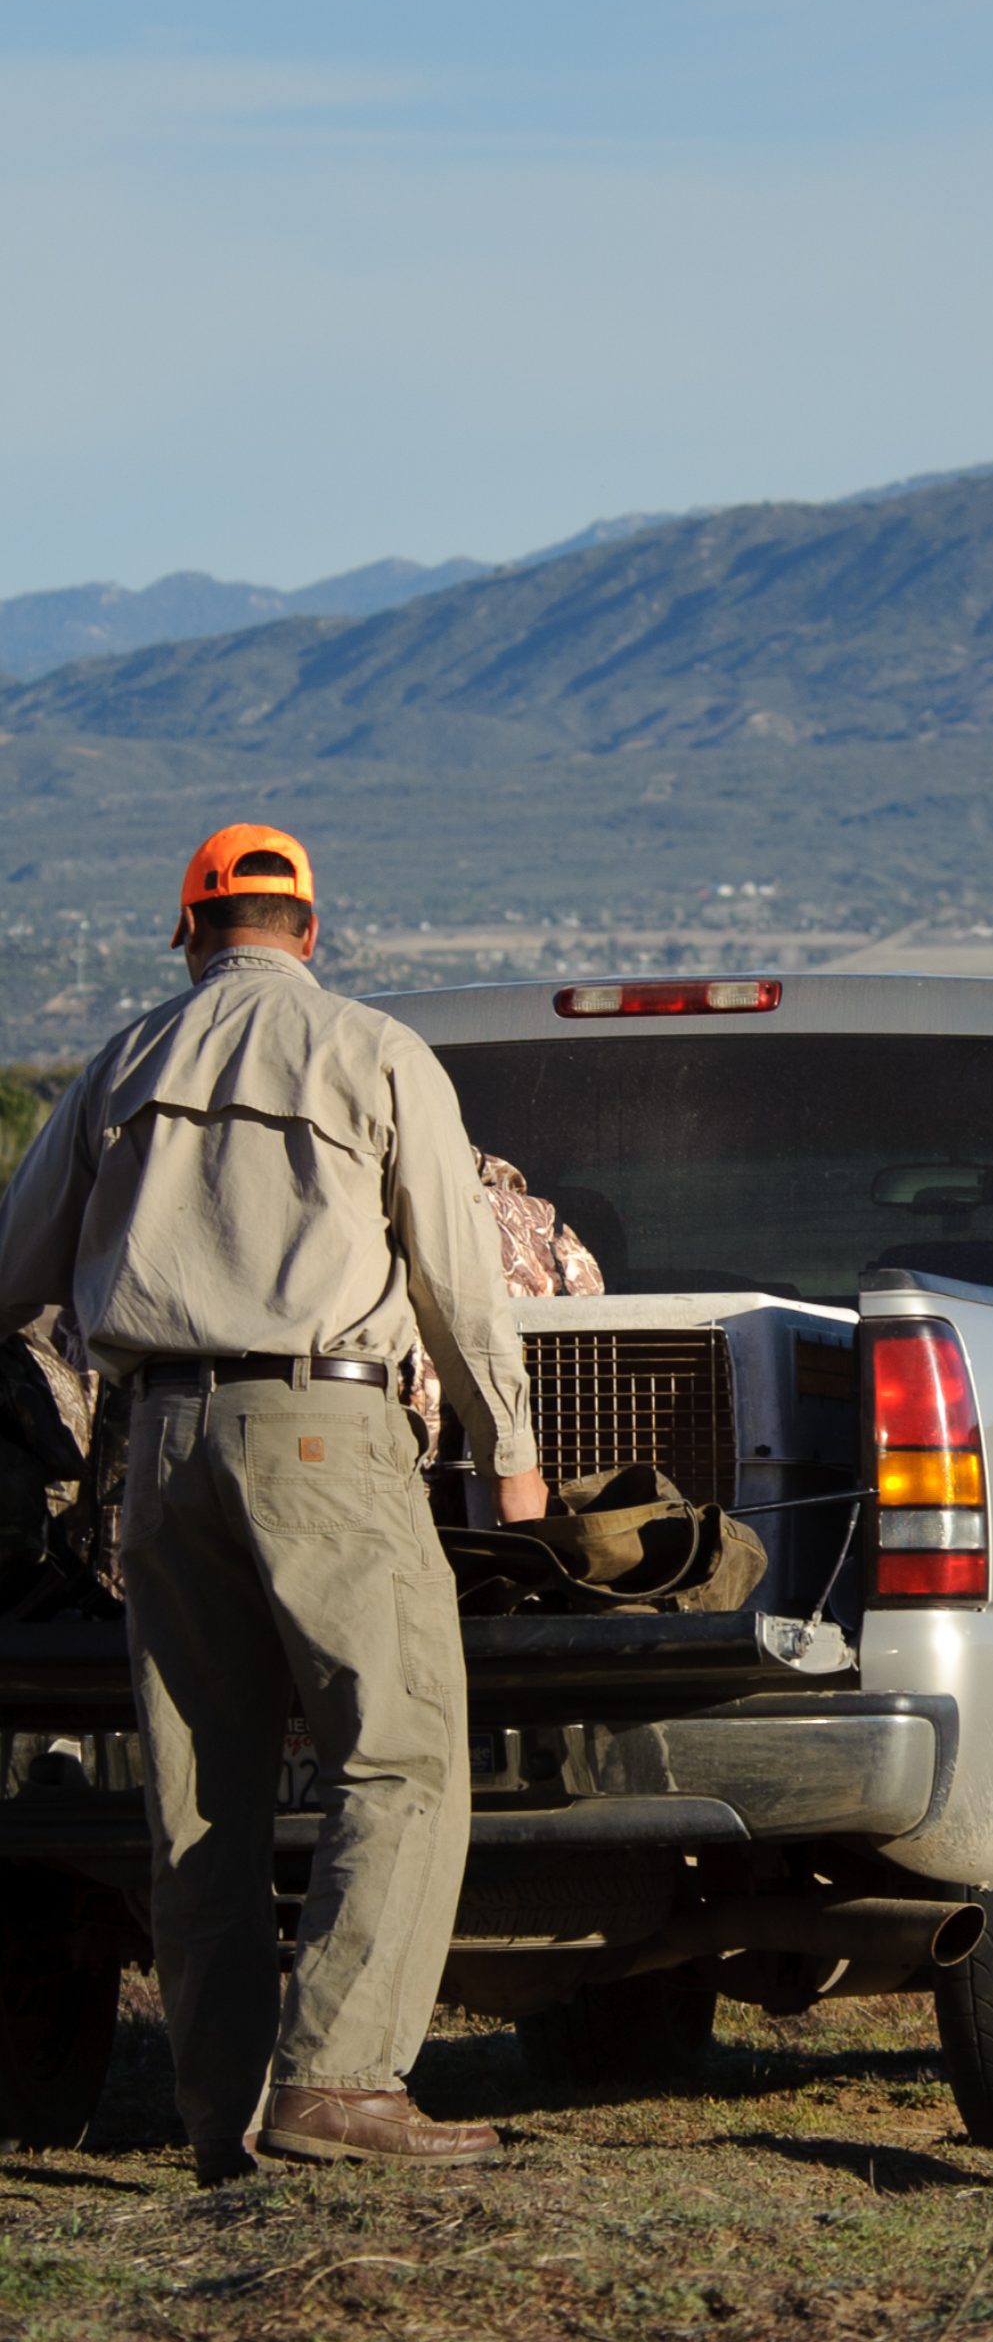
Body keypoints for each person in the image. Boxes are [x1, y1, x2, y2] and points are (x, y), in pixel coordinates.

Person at [0, 824, 549, 2182]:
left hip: (159, 1453)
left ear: (190, 931)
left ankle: (221, 2121)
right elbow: (459, 1285)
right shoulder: (374, 1052)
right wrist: (511, 1449)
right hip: (322, 1434)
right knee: (402, 1758)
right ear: (310, 931)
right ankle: (344, 2085)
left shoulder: (119, 1064)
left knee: (202, 1798)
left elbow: (15, 1273)